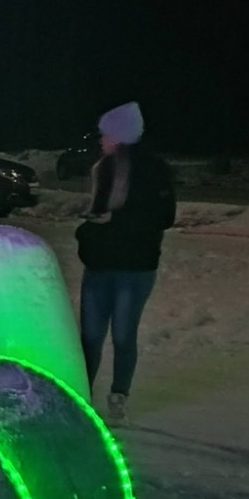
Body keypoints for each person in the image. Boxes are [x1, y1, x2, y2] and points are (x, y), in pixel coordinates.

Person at [74, 100, 176, 423]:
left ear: (120, 136)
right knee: (89, 338)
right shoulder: (102, 169)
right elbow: (97, 214)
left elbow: (163, 216)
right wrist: (87, 232)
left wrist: (114, 220)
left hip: (135, 268)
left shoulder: (155, 171)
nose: (101, 140)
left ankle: (119, 396)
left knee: (122, 335)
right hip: (100, 266)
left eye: (105, 134)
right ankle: (82, 399)